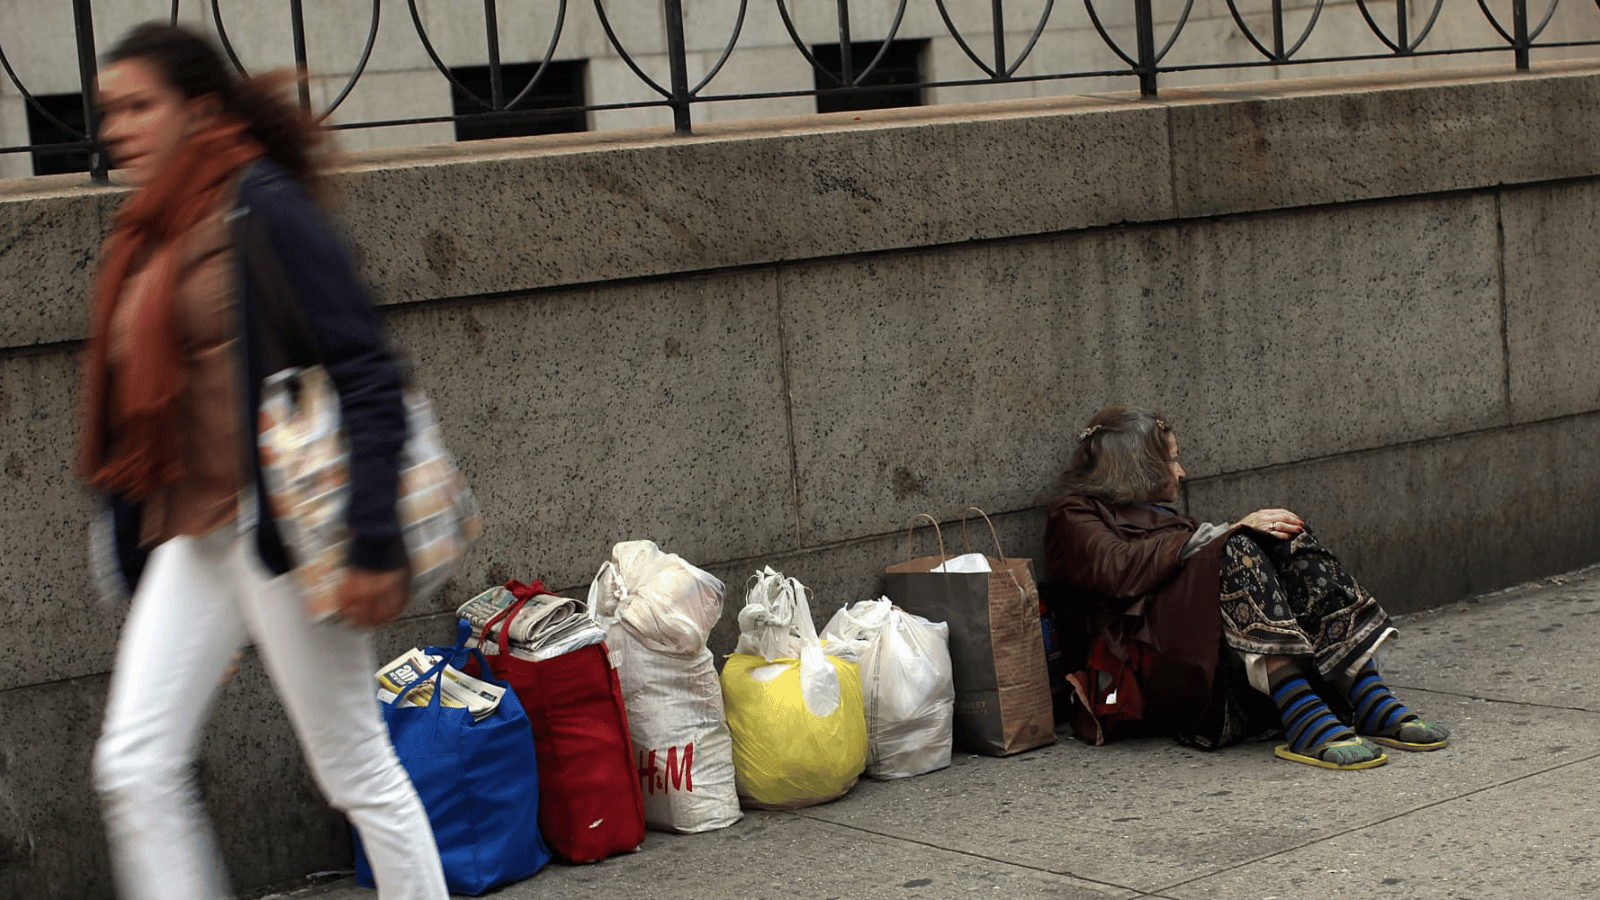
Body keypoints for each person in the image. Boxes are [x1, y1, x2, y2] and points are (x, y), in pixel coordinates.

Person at [79, 23, 449, 900]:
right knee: (133, 764)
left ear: (198, 108)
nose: (117, 128)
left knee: (354, 767)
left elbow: (367, 374)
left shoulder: (264, 206)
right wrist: (133, 558)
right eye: (108, 111)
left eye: (139, 106)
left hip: (283, 528)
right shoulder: (148, 230)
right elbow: (138, 421)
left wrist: (369, 545)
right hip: (193, 535)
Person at [1043, 405, 1450, 770]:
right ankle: (1303, 714)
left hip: (1204, 660)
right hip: (1151, 678)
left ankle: (1368, 693)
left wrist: (1242, 539)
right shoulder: (1074, 515)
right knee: (1235, 546)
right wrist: (1223, 536)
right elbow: (1118, 568)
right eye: (1170, 461)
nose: (1181, 473)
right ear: (1137, 466)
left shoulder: (1165, 519)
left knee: (1284, 538)